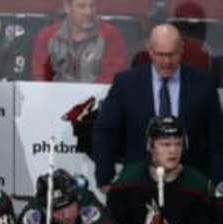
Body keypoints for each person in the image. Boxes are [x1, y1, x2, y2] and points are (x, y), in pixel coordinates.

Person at [93, 23, 223, 191]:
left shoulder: (203, 84)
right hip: (137, 184)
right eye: (161, 54)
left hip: (190, 186)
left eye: (172, 54)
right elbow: (105, 133)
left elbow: (217, 139)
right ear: (150, 50)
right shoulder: (126, 84)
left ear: (182, 49)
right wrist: (105, 179)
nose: (167, 61)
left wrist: (218, 182)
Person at [106, 116, 214, 224]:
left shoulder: (198, 186)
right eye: (165, 144)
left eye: (178, 144)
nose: (173, 151)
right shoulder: (126, 183)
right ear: (150, 146)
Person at [31, 0, 127, 83]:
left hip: (96, 99)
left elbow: (111, 78)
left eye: (91, 6)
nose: (88, 12)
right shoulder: (46, 36)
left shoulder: (111, 35)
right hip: (54, 98)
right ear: (67, 7)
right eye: (82, 6)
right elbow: (40, 77)